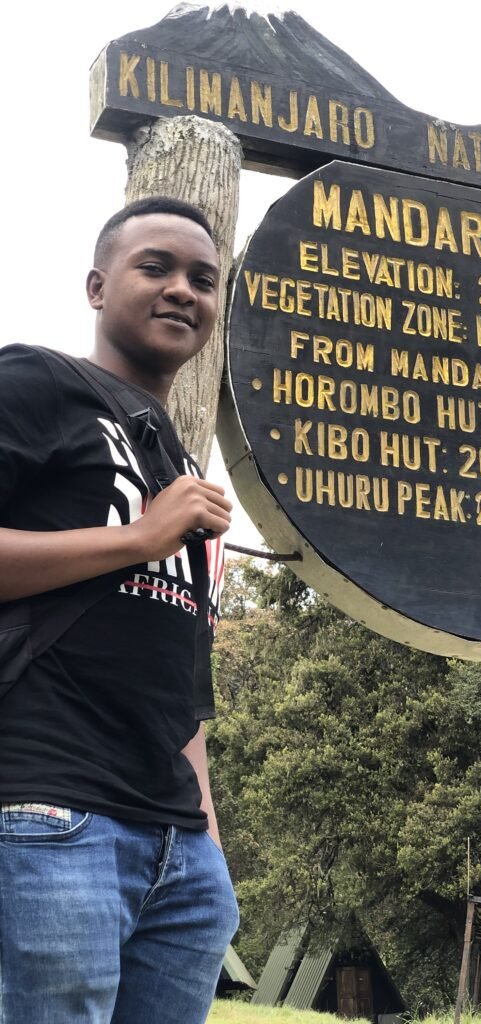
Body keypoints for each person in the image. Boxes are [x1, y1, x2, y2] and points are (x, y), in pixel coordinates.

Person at [0, 196, 240, 1024]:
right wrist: (140, 538)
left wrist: (206, 843)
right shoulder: (35, 381)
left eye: (204, 280)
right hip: (49, 809)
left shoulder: (174, 457)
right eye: (157, 267)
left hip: (178, 851)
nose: (183, 290)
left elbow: (184, 676)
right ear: (98, 287)